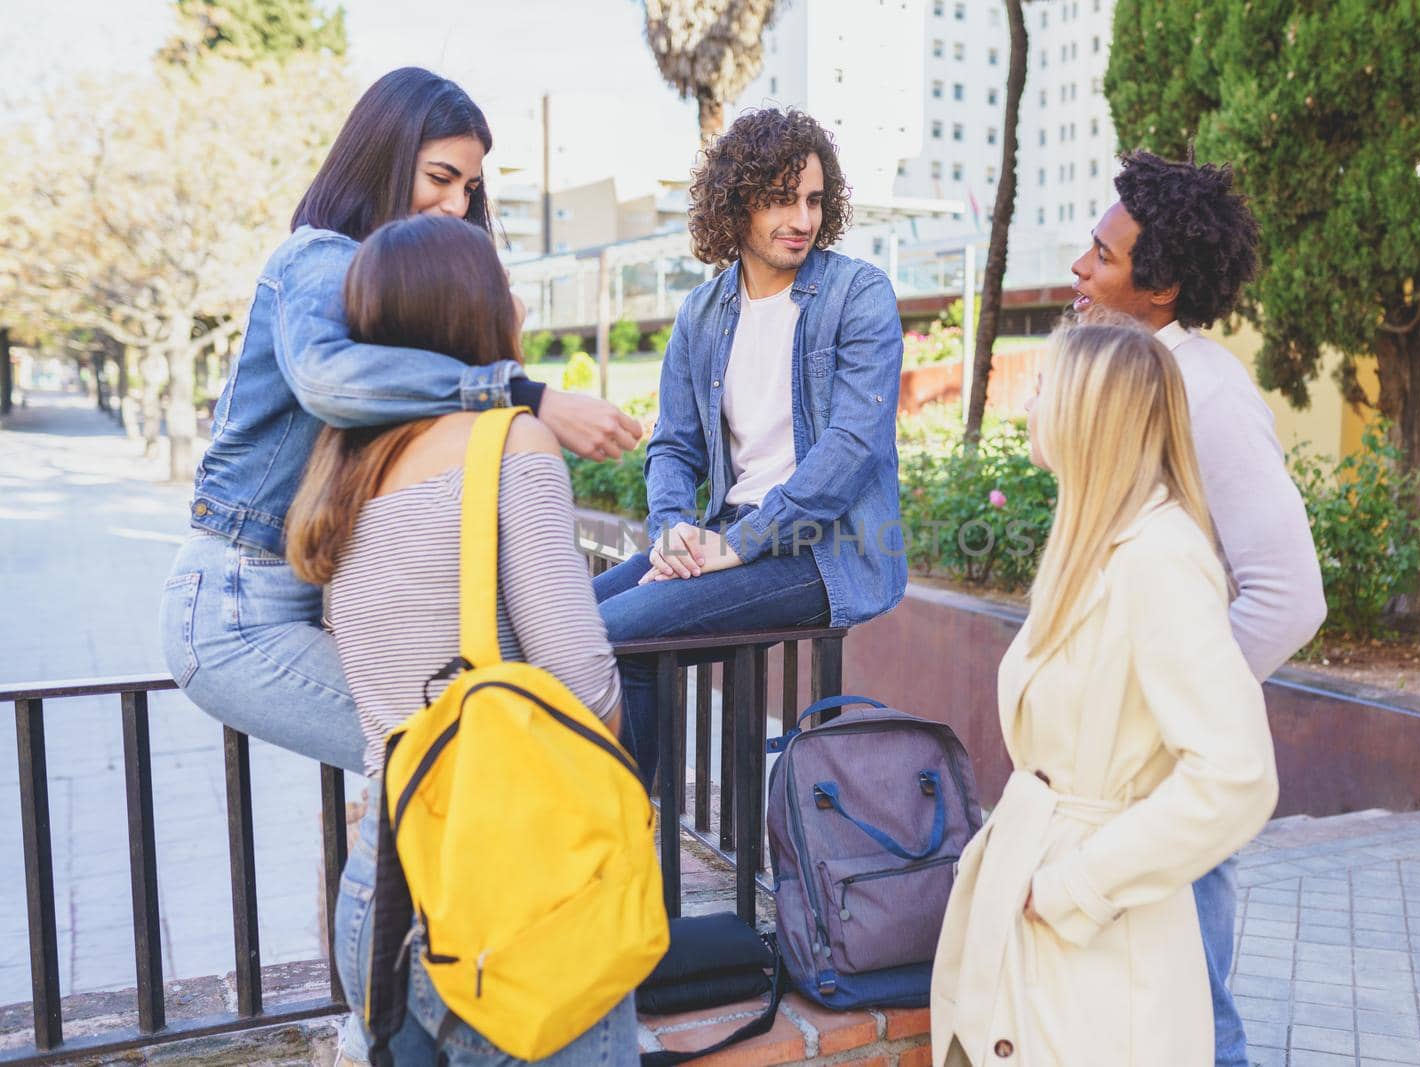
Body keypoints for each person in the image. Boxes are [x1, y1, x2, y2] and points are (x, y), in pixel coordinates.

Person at [157, 67, 641, 775]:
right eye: (440, 176)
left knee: (423, 780)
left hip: (289, 595)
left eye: (469, 188)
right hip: (237, 605)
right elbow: (330, 379)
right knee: (451, 761)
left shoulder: (384, 285)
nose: (455, 204)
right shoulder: (321, 255)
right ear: (383, 158)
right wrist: (523, 394)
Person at [284, 214, 632, 1066]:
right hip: (511, 892)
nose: (515, 295)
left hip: (383, 885)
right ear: (470, 313)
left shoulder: (343, 470)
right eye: (501, 278)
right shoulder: (510, 441)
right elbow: (584, 686)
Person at [930, 321, 1280, 1066]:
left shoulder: (1159, 557)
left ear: (1090, 412)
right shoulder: (1095, 547)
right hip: (1041, 919)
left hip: (1094, 943)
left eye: (1047, 385)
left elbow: (1237, 776)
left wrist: (1075, 885)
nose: (1032, 401)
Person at [1068, 149, 1326, 1065]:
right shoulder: (1120, 376)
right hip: (1106, 772)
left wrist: (1181, 701)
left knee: (1195, 1023)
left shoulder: (1206, 392)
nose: (1079, 268)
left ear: (1161, 284)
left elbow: (1292, 594)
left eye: (1101, 254)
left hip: (1171, 772)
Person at [592, 108, 907, 787]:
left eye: (815, 199)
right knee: (576, 620)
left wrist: (739, 543)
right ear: (737, 204)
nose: (802, 218)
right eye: (781, 198)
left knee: (617, 632)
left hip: (827, 551)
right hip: (729, 537)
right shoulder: (702, 315)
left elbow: (853, 447)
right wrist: (673, 530)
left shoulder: (858, 296)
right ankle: (625, 836)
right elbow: (673, 446)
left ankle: (633, 835)